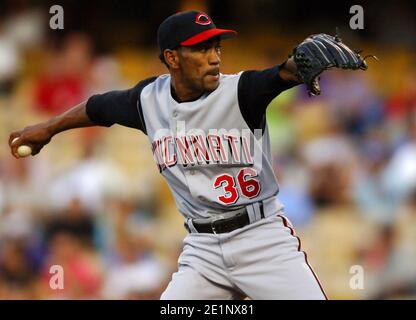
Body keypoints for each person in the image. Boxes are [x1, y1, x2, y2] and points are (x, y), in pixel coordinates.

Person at [9, 11, 368, 299]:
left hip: (262, 239)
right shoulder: (148, 100)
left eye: (216, 47)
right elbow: (97, 107)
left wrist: (297, 64)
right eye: (201, 49)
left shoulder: (241, 91)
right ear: (171, 58)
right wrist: (47, 129)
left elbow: (281, 74)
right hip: (203, 249)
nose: (214, 57)